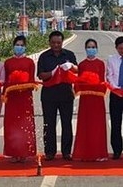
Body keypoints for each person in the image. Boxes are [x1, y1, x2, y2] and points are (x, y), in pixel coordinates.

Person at [37, 30, 77, 161]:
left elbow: (78, 70)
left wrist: (71, 66)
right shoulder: (44, 57)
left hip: (66, 94)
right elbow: (41, 75)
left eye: (58, 43)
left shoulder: (69, 55)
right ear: (49, 42)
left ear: (62, 42)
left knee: (67, 123)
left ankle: (66, 152)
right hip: (49, 95)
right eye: (53, 42)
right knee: (49, 124)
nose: (56, 45)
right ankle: (50, 152)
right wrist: (53, 72)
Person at [73, 38, 109, 161]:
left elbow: (103, 80)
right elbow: (78, 81)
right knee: (85, 125)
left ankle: (99, 153)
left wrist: (98, 85)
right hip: (85, 99)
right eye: (89, 47)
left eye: (93, 47)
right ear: (85, 49)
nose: (91, 49)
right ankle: (84, 153)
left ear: (97, 49)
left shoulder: (101, 63)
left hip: (98, 99)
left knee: (97, 125)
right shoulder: (82, 65)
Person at [3, 36, 37, 162]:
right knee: (12, 124)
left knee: (25, 124)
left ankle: (24, 152)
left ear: (25, 47)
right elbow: (5, 81)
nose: (19, 47)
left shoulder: (29, 62)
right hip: (12, 98)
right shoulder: (8, 62)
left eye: (21, 45)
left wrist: (23, 85)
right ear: (13, 46)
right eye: (17, 44)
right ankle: (13, 152)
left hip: (25, 97)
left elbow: (32, 82)